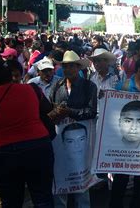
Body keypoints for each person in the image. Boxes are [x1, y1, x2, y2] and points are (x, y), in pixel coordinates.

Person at [0, 59, 54, 207]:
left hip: (2, 151)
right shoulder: (32, 89)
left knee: (10, 200)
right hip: (38, 146)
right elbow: (47, 108)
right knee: (42, 197)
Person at [48, 50, 97, 208]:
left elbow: (90, 112)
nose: (68, 69)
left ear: (78, 67)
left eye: (71, 66)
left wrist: (69, 112)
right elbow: (49, 108)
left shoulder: (89, 86)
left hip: (81, 143)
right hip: (61, 142)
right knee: (61, 177)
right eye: (65, 66)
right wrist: (55, 113)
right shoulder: (57, 85)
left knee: (81, 180)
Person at [109, 57, 140, 208]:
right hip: (123, 147)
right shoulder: (123, 86)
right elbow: (113, 109)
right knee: (120, 181)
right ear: (139, 71)